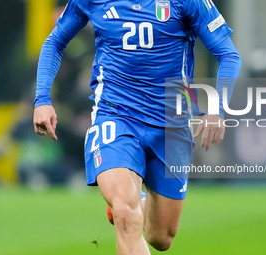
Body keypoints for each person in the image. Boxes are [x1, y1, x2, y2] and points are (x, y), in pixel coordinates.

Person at [33, 0, 241, 254]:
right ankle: (125, 203)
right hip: (115, 115)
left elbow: (228, 54)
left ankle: (136, 201)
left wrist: (217, 111)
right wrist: (42, 99)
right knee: (124, 213)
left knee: (161, 236)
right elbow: (55, 41)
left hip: (171, 125)